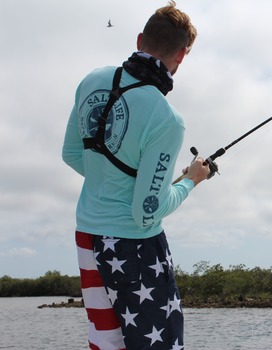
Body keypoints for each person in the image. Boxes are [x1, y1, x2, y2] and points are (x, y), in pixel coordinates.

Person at [62, 2, 209, 349]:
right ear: (182, 56)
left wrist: (122, 182)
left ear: (140, 39)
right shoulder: (167, 118)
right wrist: (190, 180)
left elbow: (71, 155)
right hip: (135, 248)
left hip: (87, 238)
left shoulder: (92, 80)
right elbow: (145, 213)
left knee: (106, 340)